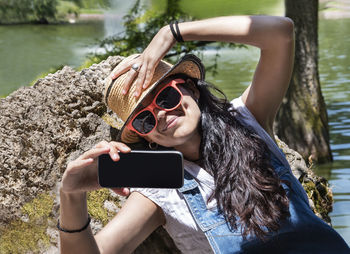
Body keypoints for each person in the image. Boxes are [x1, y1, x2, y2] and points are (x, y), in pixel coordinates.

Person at [58, 16, 350, 253]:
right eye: (145, 120)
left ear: (191, 88)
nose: (160, 115)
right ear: (145, 137)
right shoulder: (161, 191)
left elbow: (281, 33)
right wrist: (71, 196)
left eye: (166, 98)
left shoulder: (248, 120)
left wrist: (173, 32)